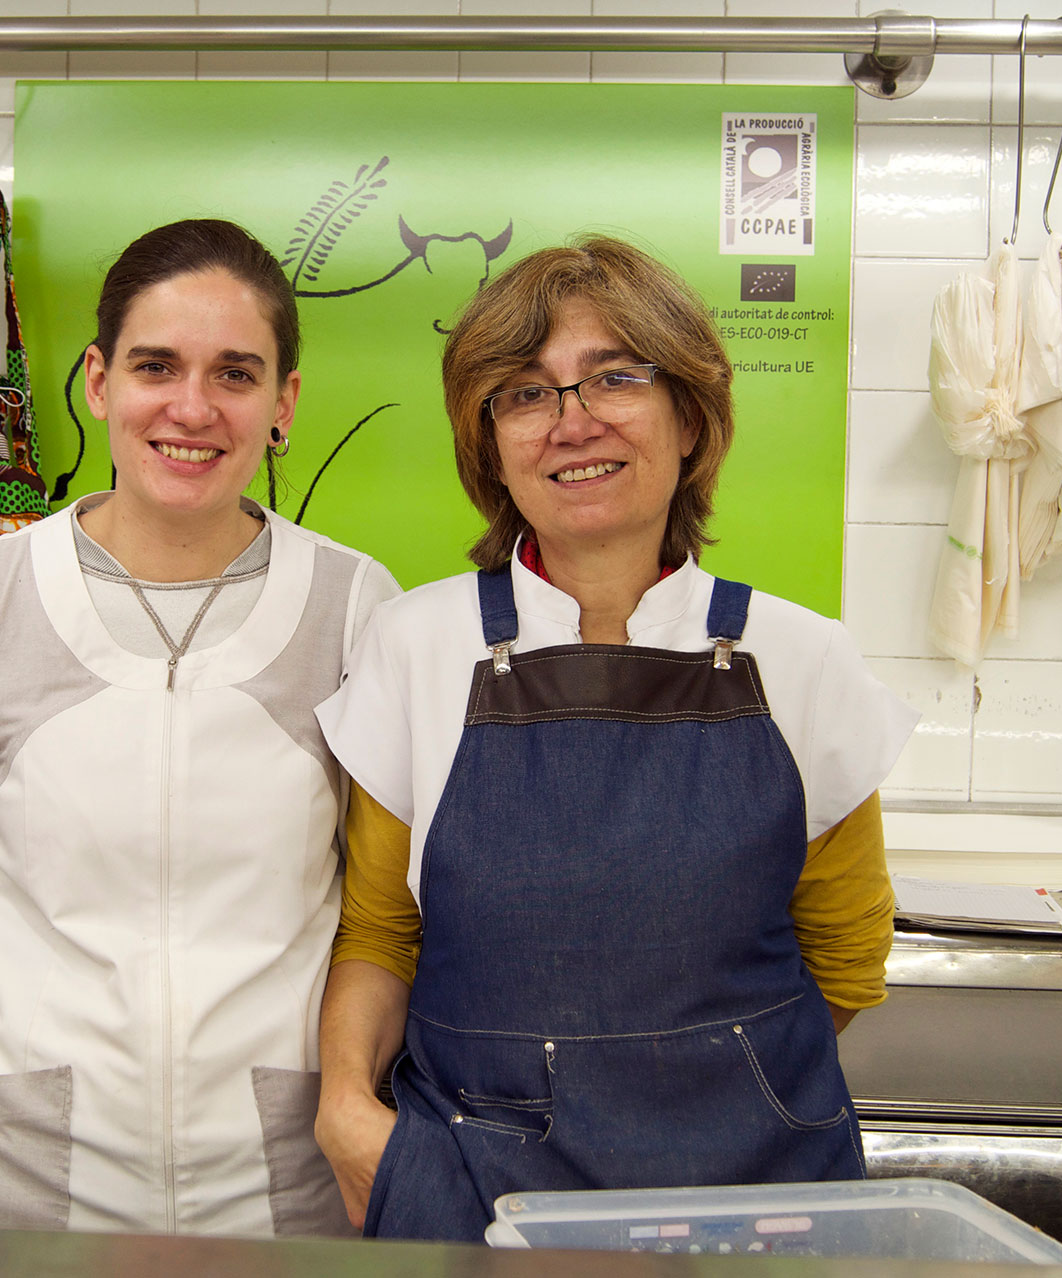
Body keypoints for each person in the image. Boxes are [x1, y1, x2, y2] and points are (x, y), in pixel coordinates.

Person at [311, 234, 918, 1242]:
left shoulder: (801, 659)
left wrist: (707, 1085)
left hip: (754, 1199)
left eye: (615, 378)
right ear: (491, 446)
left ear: (689, 416)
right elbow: (380, 934)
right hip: (473, 1186)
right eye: (525, 394)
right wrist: (347, 1113)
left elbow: (848, 957)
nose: (571, 421)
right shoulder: (416, 643)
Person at [0, 219, 400, 1236]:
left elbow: (382, 903)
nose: (192, 407)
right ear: (100, 381)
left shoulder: (355, 608)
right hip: (4, 1179)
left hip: (273, 1182)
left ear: (281, 405)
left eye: (235, 374)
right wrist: (36, 1051)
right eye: (157, 366)